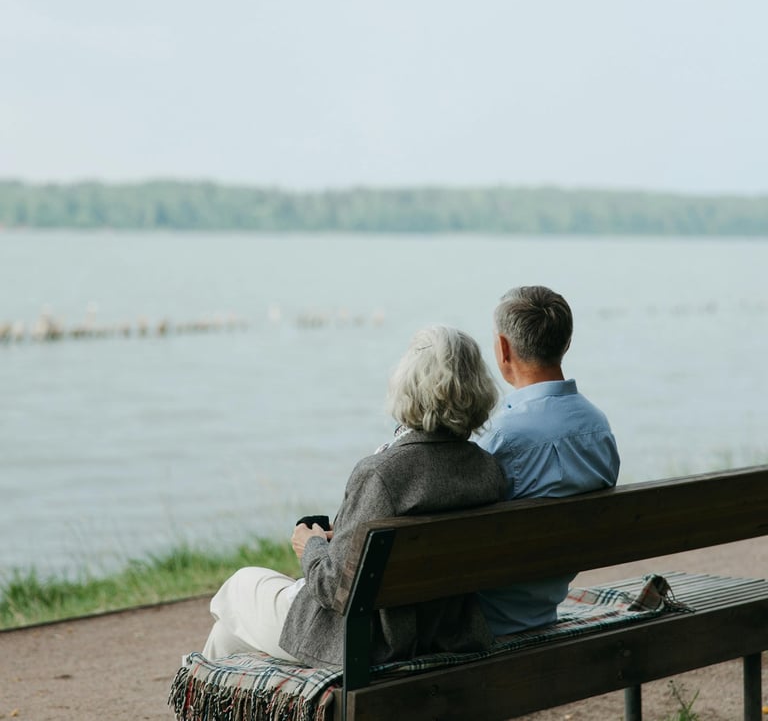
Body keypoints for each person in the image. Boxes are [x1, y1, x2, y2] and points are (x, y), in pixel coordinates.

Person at [202, 325, 507, 668]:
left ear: (407, 388)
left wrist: (312, 546)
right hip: (444, 631)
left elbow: (333, 588)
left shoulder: (382, 473)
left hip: (369, 641)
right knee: (226, 634)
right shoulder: (487, 469)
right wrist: (347, 533)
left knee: (238, 587)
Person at [475, 285, 620, 636]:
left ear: (503, 349)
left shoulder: (499, 438)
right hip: (546, 603)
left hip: (485, 617)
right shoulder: (598, 428)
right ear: (565, 344)